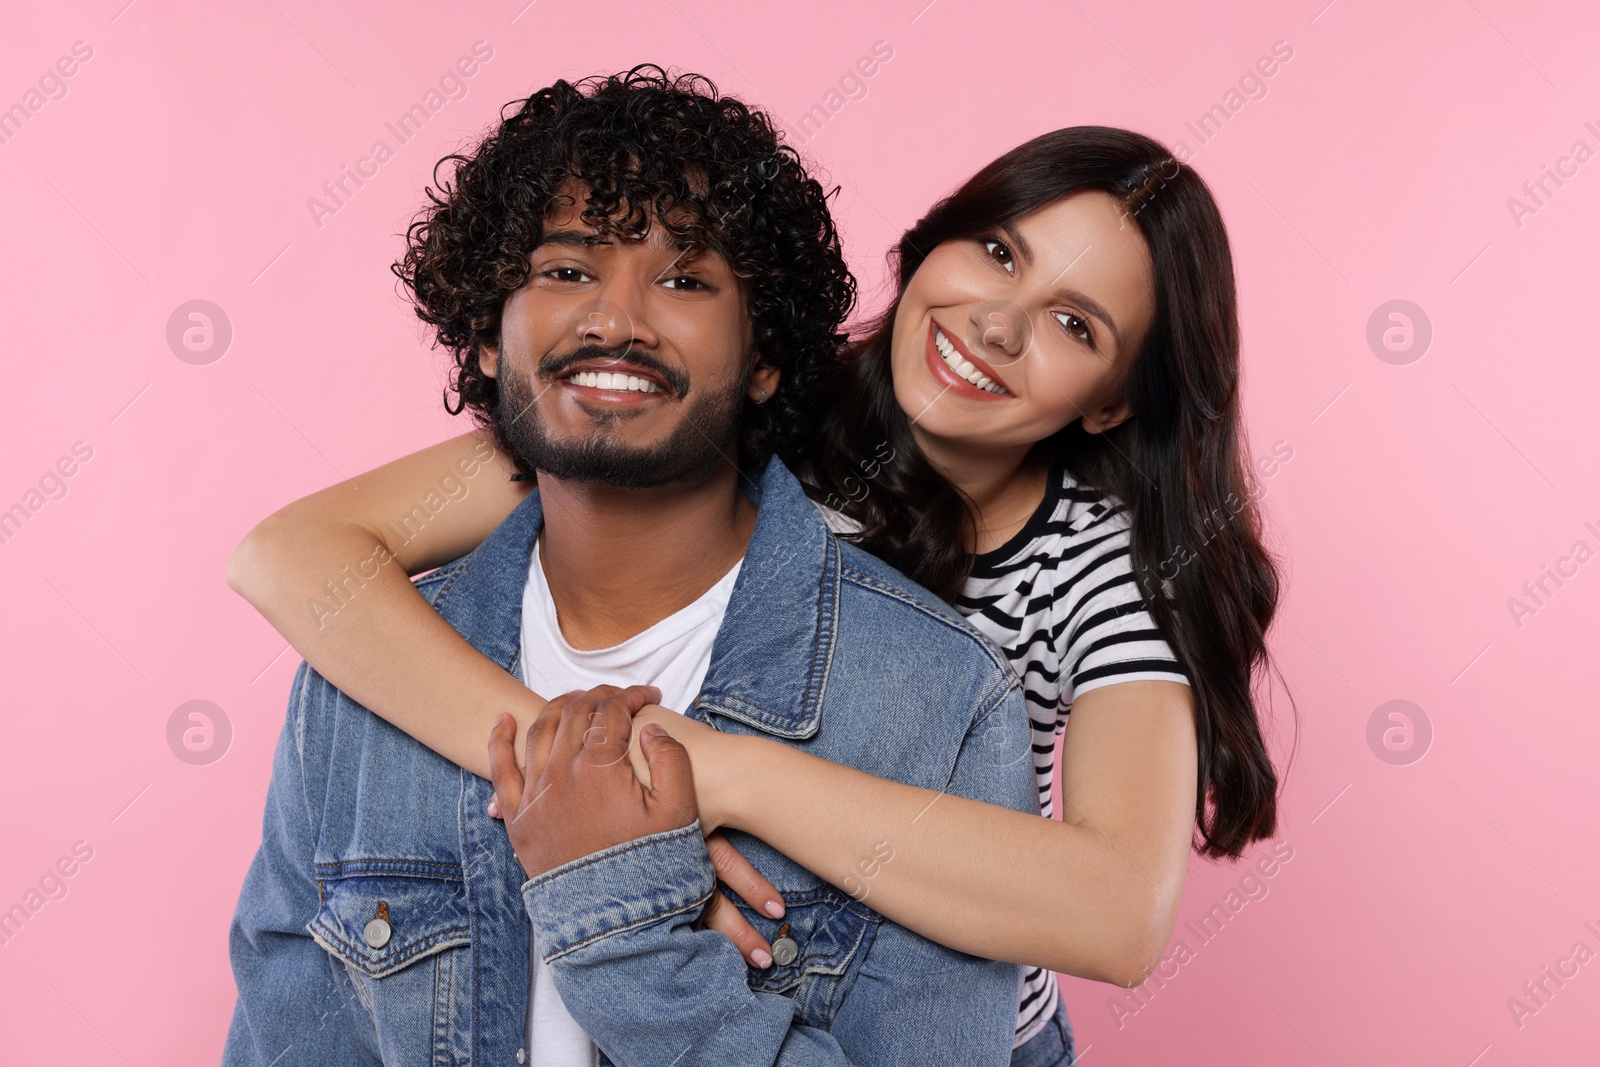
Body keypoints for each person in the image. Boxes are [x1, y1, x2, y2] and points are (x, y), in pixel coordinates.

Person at [229, 91, 1289, 1067]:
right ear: (931, 244)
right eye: (999, 253)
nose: (997, 325)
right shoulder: (712, 400)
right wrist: (574, 770)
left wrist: (712, 776)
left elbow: (1118, 913)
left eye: (1074, 324)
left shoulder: (1093, 570)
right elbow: (291, 554)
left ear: (1112, 401)